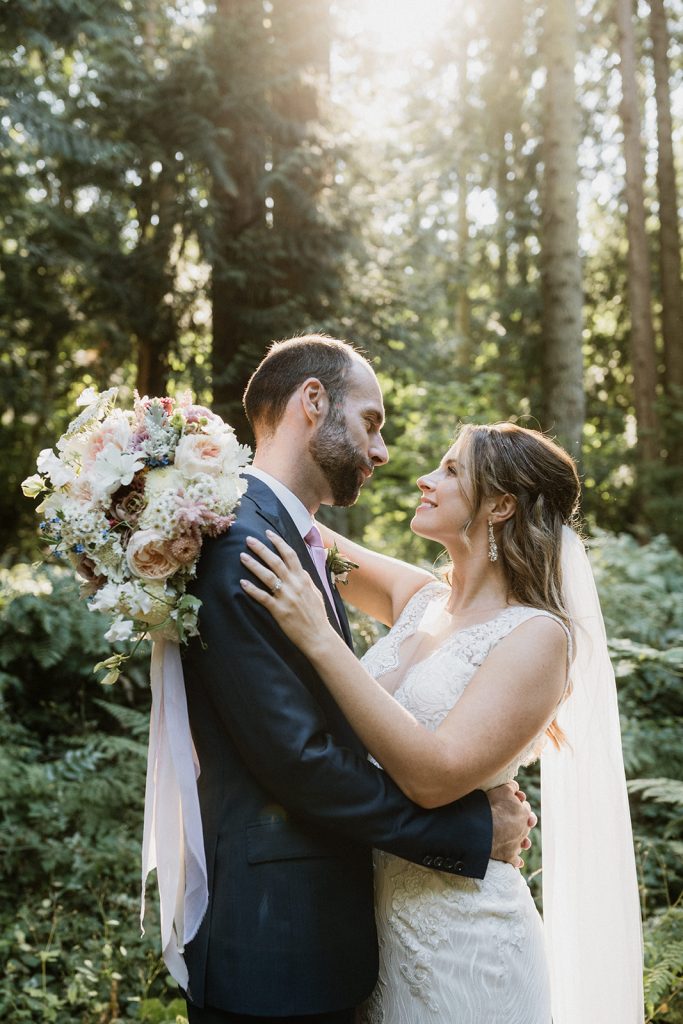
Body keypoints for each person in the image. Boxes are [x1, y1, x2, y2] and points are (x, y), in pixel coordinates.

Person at [240, 421, 644, 1024]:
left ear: (501, 505)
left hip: (467, 945)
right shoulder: (419, 598)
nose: (426, 480)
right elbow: (293, 520)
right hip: (374, 934)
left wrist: (320, 640)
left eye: (451, 470)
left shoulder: (536, 636)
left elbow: (435, 776)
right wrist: (185, 461)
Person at [180, 337, 534, 1023]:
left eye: (449, 470)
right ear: (312, 402)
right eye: (371, 422)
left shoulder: (284, 537)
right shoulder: (248, 545)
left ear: (501, 506)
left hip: (369, 936)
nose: (386, 455)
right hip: (278, 946)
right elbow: (300, 759)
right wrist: (467, 833)